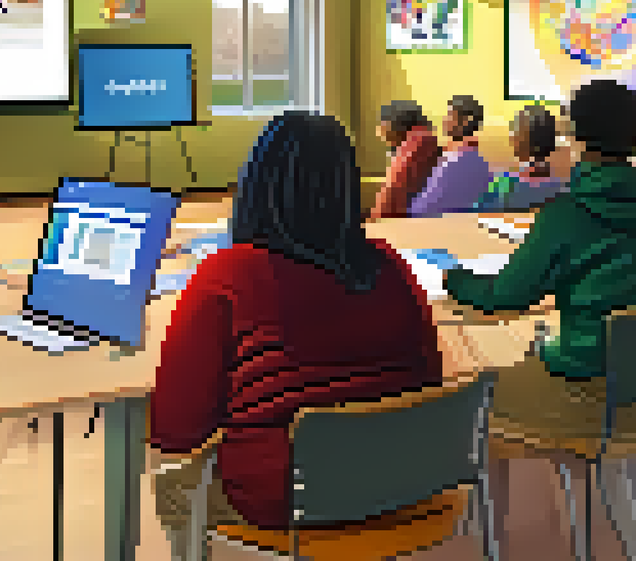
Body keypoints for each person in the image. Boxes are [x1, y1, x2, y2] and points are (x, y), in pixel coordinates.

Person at [149, 111, 444, 560]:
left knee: (171, 485)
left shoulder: (227, 276)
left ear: (256, 185)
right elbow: (430, 376)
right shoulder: (391, 266)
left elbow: (174, 431)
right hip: (405, 486)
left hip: (285, 501)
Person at [442, 81, 636, 545]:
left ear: (573, 136)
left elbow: (503, 296)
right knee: (542, 345)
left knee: (473, 390)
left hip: (586, 390)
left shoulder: (567, 213)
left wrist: (453, 279)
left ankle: (498, 542)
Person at [410, 95, 494, 216]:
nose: (445, 119)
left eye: (450, 115)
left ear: (465, 121)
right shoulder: (481, 162)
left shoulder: (454, 160)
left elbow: (424, 208)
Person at [473, 104, 567, 212]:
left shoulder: (505, 184)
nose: (511, 137)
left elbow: (479, 210)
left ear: (524, 137)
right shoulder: (561, 187)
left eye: (515, 131)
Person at [369, 99, 442, 220]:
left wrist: (371, 224)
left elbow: (390, 200)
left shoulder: (412, 150)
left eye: (380, 125)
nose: (379, 133)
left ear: (390, 124)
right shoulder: (427, 143)